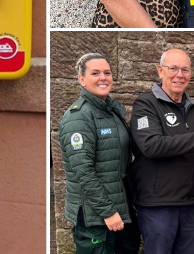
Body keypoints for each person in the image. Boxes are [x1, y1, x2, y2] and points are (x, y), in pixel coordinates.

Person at [129, 48, 194, 254]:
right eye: (173, 68)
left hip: (192, 204)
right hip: (158, 206)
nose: (179, 75)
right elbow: (151, 145)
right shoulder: (146, 105)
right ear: (160, 70)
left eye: (185, 70)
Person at [59, 53, 141, 254]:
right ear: (81, 79)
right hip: (95, 216)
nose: (103, 77)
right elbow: (83, 171)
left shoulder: (112, 111)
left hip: (122, 208)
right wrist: (108, 212)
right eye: (95, 73)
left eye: (107, 72)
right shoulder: (78, 117)